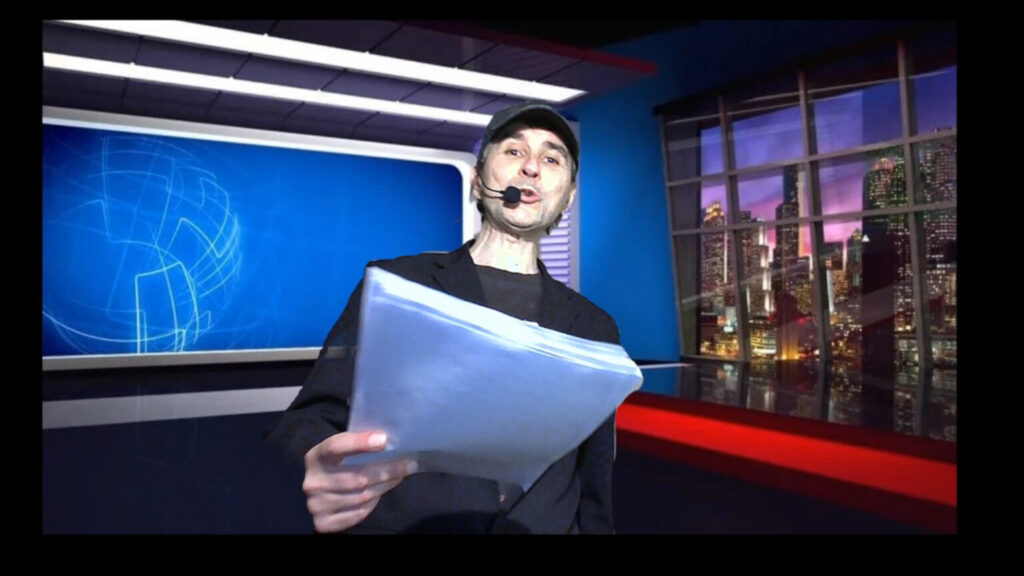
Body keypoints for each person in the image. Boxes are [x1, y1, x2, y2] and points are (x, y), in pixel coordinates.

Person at [264, 101, 621, 534]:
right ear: (478, 180)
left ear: (568, 195)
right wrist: (316, 461)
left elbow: (593, 487)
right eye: (513, 151)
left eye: (551, 159)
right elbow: (309, 418)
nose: (531, 167)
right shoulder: (396, 286)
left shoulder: (596, 328)